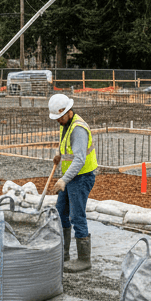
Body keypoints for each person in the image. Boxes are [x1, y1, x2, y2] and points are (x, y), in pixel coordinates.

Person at [48, 93, 97, 273]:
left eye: (60, 116)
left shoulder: (78, 128)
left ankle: (84, 259)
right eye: (57, 118)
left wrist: (63, 180)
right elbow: (64, 143)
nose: (58, 120)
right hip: (70, 177)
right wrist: (58, 154)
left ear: (68, 111)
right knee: (61, 213)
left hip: (82, 177)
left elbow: (79, 160)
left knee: (77, 216)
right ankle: (64, 253)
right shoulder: (65, 123)